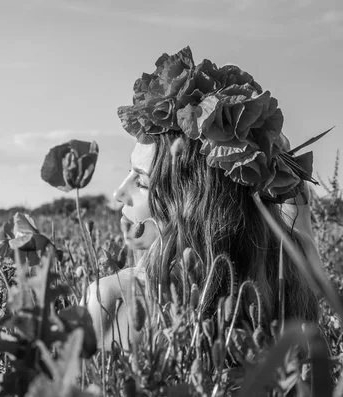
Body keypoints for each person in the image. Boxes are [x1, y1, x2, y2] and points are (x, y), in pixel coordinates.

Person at [86, 47, 325, 350]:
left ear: (193, 203)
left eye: (142, 182)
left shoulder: (112, 299)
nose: (119, 193)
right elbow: (297, 221)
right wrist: (266, 157)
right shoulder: (286, 285)